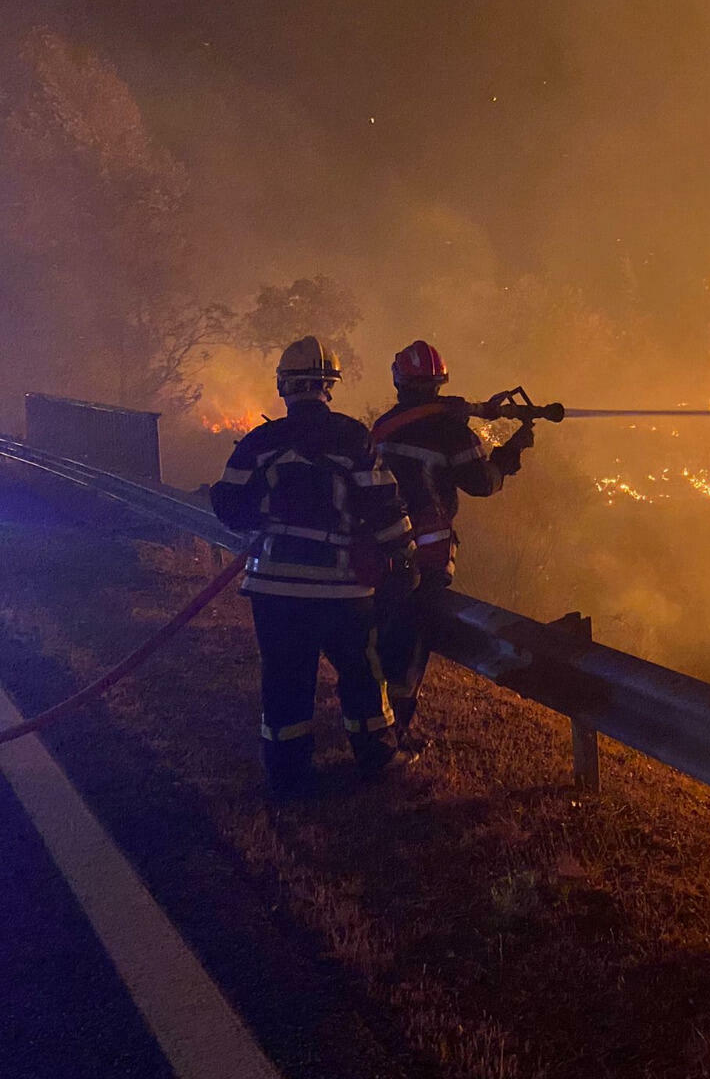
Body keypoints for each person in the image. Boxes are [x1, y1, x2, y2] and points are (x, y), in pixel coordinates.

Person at [210, 336, 417, 797]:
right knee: (362, 675)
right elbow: (387, 508)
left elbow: (226, 503)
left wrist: (264, 520)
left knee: (285, 679)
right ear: (330, 387)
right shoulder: (353, 438)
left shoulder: (261, 442)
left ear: (284, 386)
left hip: (275, 588)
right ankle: (377, 759)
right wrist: (403, 559)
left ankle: (288, 774)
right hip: (343, 592)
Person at [372, 340, 534, 750]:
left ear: (399, 381)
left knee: (378, 634)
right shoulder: (452, 432)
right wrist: (511, 452)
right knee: (410, 642)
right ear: (440, 382)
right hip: (425, 557)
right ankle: (395, 731)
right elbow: (483, 483)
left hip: (377, 551)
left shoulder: (384, 425)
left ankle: (370, 717)